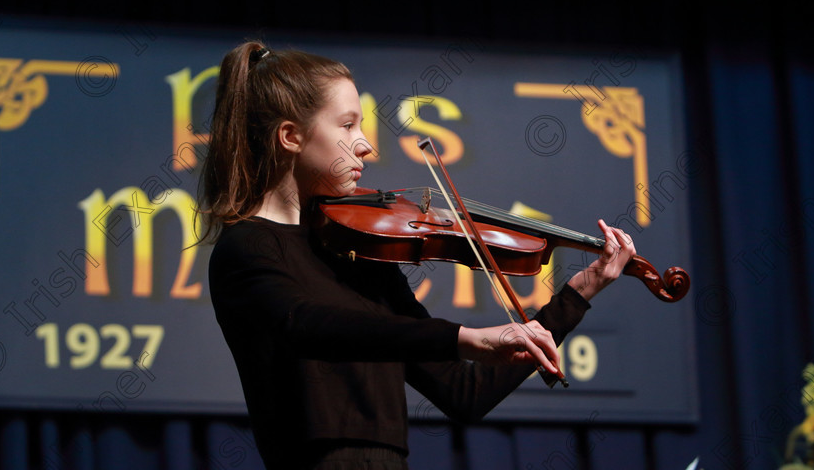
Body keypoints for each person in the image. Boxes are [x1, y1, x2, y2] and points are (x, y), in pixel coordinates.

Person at [199, 41, 636, 469]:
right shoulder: (248, 247)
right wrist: (464, 337)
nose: (366, 145)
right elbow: (308, 325)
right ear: (291, 136)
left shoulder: (353, 249)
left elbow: (465, 393)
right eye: (348, 125)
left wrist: (576, 296)